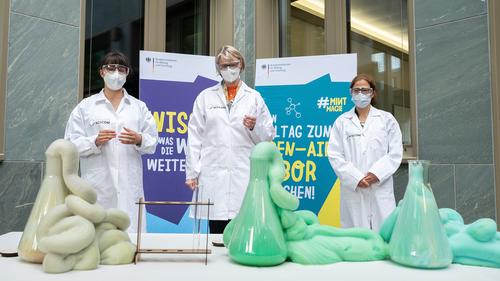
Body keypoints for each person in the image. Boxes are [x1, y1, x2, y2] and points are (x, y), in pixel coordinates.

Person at [185, 45, 276, 234]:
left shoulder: (254, 98)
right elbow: (194, 136)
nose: (228, 69)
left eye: (232, 64)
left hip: (243, 171)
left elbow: (267, 137)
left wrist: (254, 126)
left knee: (244, 226)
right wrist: (192, 172)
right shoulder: (205, 97)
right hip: (213, 171)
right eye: (223, 66)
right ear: (218, 68)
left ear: (241, 64)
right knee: (217, 228)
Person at [64, 51, 158, 232]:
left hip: (129, 186)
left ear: (127, 73)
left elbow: (153, 142)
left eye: (121, 69)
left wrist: (139, 139)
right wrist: (94, 141)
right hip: (97, 186)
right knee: (97, 237)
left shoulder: (138, 107)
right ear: (102, 72)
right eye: (111, 68)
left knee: (130, 238)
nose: (116, 73)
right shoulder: (86, 107)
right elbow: (70, 144)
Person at [328, 74, 403, 231]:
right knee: (356, 238)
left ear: (373, 93)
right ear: (351, 93)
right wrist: (356, 178)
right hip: (354, 189)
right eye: (356, 90)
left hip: (380, 186)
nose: (360, 94)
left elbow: (395, 152)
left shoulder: (386, 119)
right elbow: (335, 155)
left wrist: (377, 173)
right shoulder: (341, 122)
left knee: (384, 233)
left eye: (365, 90)